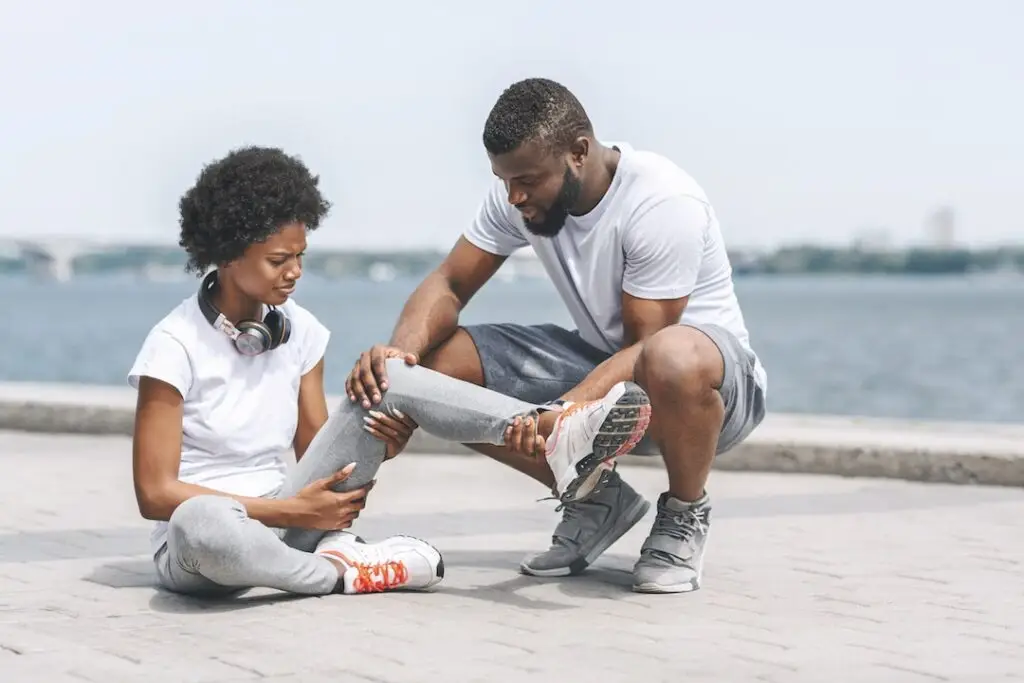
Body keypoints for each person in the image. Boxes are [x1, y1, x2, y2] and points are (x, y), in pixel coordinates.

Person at [128, 145, 653, 599]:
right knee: (202, 524)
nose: (295, 273)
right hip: (214, 540)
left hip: (295, 512)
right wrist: (290, 512)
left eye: (301, 256)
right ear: (225, 255)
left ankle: (551, 429)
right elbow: (154, 494)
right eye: (278, 260)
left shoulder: (301, 331)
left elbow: (319, 451)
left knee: (391, 372)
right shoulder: (173, 345)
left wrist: (385, 436)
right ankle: (340, 572)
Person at [345, 78, 767, 594]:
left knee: (671, 355)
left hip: (707, 390)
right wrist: (401, 361)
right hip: (609, 365)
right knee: (436, 372)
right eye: (504, 180)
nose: (514, 195)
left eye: (526, 179)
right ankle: (596, 499)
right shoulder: (517, 194)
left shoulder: (660, 201)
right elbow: (449, 282)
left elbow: (645, 346)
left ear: (578, 152)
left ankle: (684, 511)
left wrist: (560, 412)